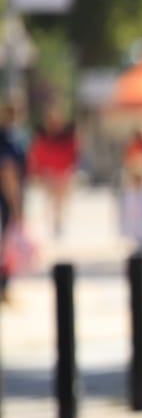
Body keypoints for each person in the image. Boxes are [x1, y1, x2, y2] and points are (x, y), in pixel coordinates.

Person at [27, 107, 79, 239]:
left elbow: (73, 152)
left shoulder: (66, 135)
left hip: (63, 171)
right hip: (49, 172)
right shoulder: (43, 136)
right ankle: (51, 224)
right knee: (50, 199)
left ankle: (58, 222)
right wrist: (37, 172)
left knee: (60, 200)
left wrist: (70, 169)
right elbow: (37, 154)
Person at [0, 102, 26, 304]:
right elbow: (8, 175)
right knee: (5, 246)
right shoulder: (7, 140)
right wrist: (17, 207)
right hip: (5, 202)